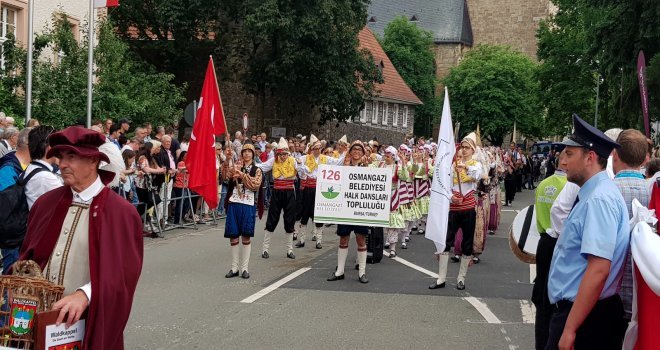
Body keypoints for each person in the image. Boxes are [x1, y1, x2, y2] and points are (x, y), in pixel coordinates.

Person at [18, 126, 142, 349]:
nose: (62, 164)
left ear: (93, 161)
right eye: (61, 157)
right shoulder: (45, 204)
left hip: (83, 324)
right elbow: (28, 259)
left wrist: (85, 294)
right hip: (38, 322)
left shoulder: (121, 212)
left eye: (72, 157)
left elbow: (123, 275)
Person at [545, 115, 629, 350]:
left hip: (585, 319)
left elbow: (599, 269)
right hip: (586, 314)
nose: (562, 162)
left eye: (570, 154)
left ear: (590, 157)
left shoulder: (598, 200)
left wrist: (570, 329)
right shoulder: (595, 194)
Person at [610, 129, 650, 340]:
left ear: (614, 155)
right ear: (645, 158)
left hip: (610, 295)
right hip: (644, 296)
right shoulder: (653, 191)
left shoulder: (605, 190)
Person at [430, 132, 481, 291]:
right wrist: (451, 197)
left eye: (467, 148)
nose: (464, 150)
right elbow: (445, 185)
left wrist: (465, 166)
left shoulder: (475, 164)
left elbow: (477, 174)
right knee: (446, 241)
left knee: (467, 243)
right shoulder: (452, 165)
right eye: (462, 147)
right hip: (454, 207)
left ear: (473, 150)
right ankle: (441, 278)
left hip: (468, 208)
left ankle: (461, 278)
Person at [532, 150, 568, 350]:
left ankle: (540, 343)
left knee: (542, 296)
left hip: (543, 241)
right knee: (557, 300)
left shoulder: (544, 185)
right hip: (559, 241)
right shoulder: (570, 187)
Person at [327, 140, 372, 283]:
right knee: (343, 238)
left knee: (361, 239)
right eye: (354, 149)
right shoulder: (343, 167)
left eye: (360, 150)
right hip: (345, 207)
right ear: (350, 152)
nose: (357, 152)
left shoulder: (368, 168)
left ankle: (362, 272)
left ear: (363, 153)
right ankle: (340, 271)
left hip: (360, 208)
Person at [257, 138, 304, 259]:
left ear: (288, 153)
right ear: (277, 153)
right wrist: (250, 166)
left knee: (289, 220)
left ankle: (289, 250)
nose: (283, 156)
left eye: (285, 154)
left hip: (289, 192)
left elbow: (303, 173)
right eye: (281, 154)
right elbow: (262, 167)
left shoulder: (293, 160)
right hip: (277, 191)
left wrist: (300, 165)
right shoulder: (274, 160)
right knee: (272, 219)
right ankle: (265, 249)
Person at [294, 138, 343, 249]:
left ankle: (319, 240)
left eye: (319, 148)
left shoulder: (325, 158)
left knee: (319, 213)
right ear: (311, 149)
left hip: (320, 188)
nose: (317, 150)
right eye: (315, 148)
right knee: (305, 213)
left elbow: (337, 162)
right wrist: (302, 166)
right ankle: (302, 240)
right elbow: (296, 163)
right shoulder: (305, 158)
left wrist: (346, 154)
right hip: (307, 188)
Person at [223, 144, 263, 279]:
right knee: (233, 235)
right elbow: (224, 176)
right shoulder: (235, 166)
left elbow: (255, 185)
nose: (246, 154)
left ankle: (244, 268)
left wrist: (243, 175)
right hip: (234, 203)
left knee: (246, 235)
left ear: (253, 153)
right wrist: (227, 160)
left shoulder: (257, 170)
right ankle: (234, 267)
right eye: (244, 151)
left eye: (249, 152)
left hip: (248, 203)